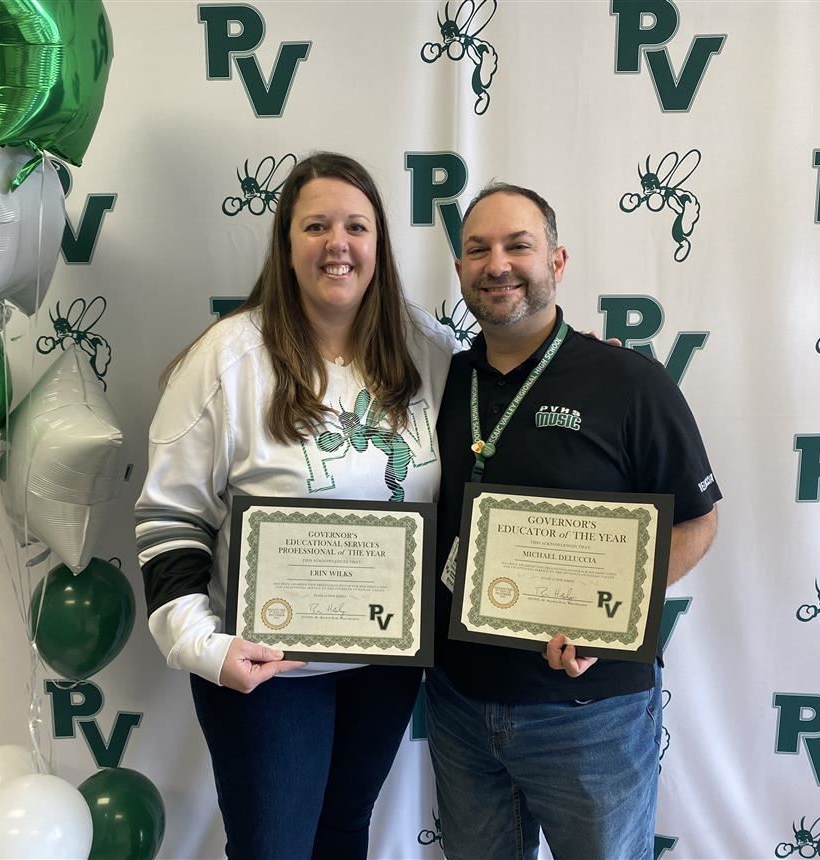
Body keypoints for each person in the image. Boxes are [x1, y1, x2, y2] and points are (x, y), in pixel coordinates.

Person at [134, 152, 456, 860]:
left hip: (387, 661)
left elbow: (506, 398)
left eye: (355, 226)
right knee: (273, 847)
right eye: (315, 226)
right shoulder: (227, 359)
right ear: (285, 245)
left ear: (379, 244)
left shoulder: (427, 352)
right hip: (268, 667)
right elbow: (169, 519)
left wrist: (587, 365)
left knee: (344, 835)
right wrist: (205, 647)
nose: (337, 244)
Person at [427, 182, 721, 860]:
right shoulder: (437, 381)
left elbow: (698, 523)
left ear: (556, 262)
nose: (497, 264)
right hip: (458, 708)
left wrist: (606, 621)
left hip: (590, 715)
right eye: (477, 250)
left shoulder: (629, 382)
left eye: (518, 245)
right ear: (461, 271)